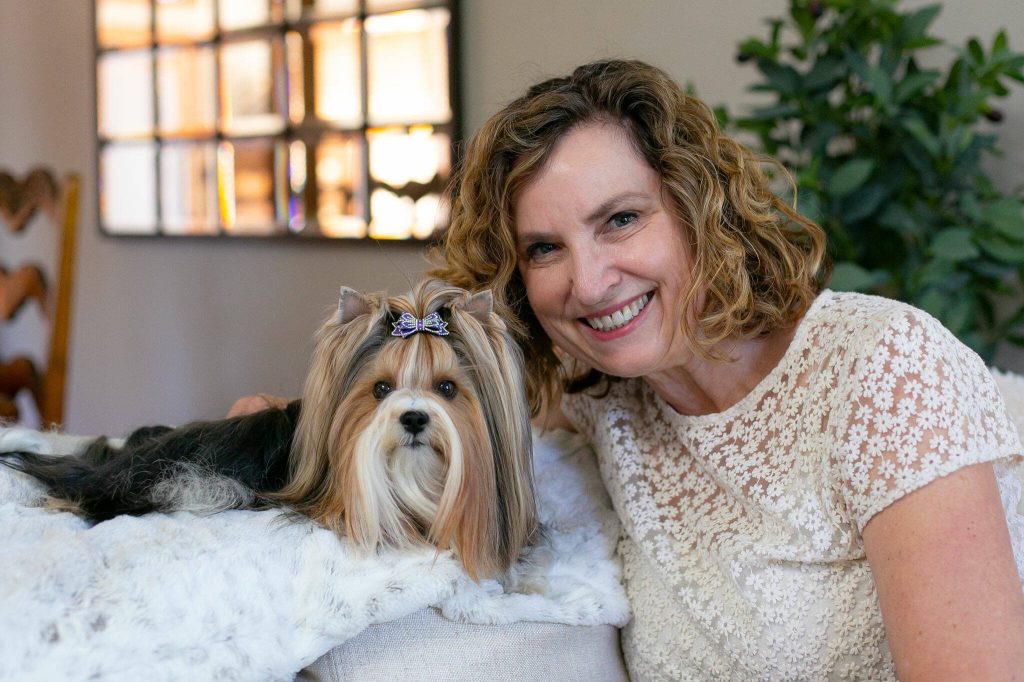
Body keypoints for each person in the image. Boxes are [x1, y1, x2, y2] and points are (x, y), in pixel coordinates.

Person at [234, 60, 1024, 680]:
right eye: (545, 248)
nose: (588, 282)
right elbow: (432, 413)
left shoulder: (883, 371)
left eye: (620, 220)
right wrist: (285, 421)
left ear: (697, 208)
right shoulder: (601, 406)